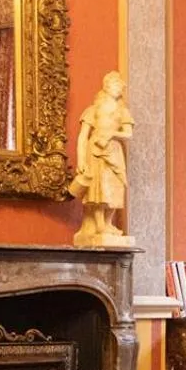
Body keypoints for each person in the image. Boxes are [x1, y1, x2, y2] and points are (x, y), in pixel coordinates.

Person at [69, 71, 134, 244]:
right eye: (117, 85)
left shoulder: (123, 111)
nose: (120, 89)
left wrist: (112, 134)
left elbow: (128, 134)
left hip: (113, 150)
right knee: (99, 188)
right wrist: (81, 160)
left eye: (121, 87)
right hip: (96, 150)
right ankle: (99, 224)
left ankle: (108, 223)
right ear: (107, 86)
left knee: (116, 187)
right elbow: (83, 137)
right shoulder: (93, 110)